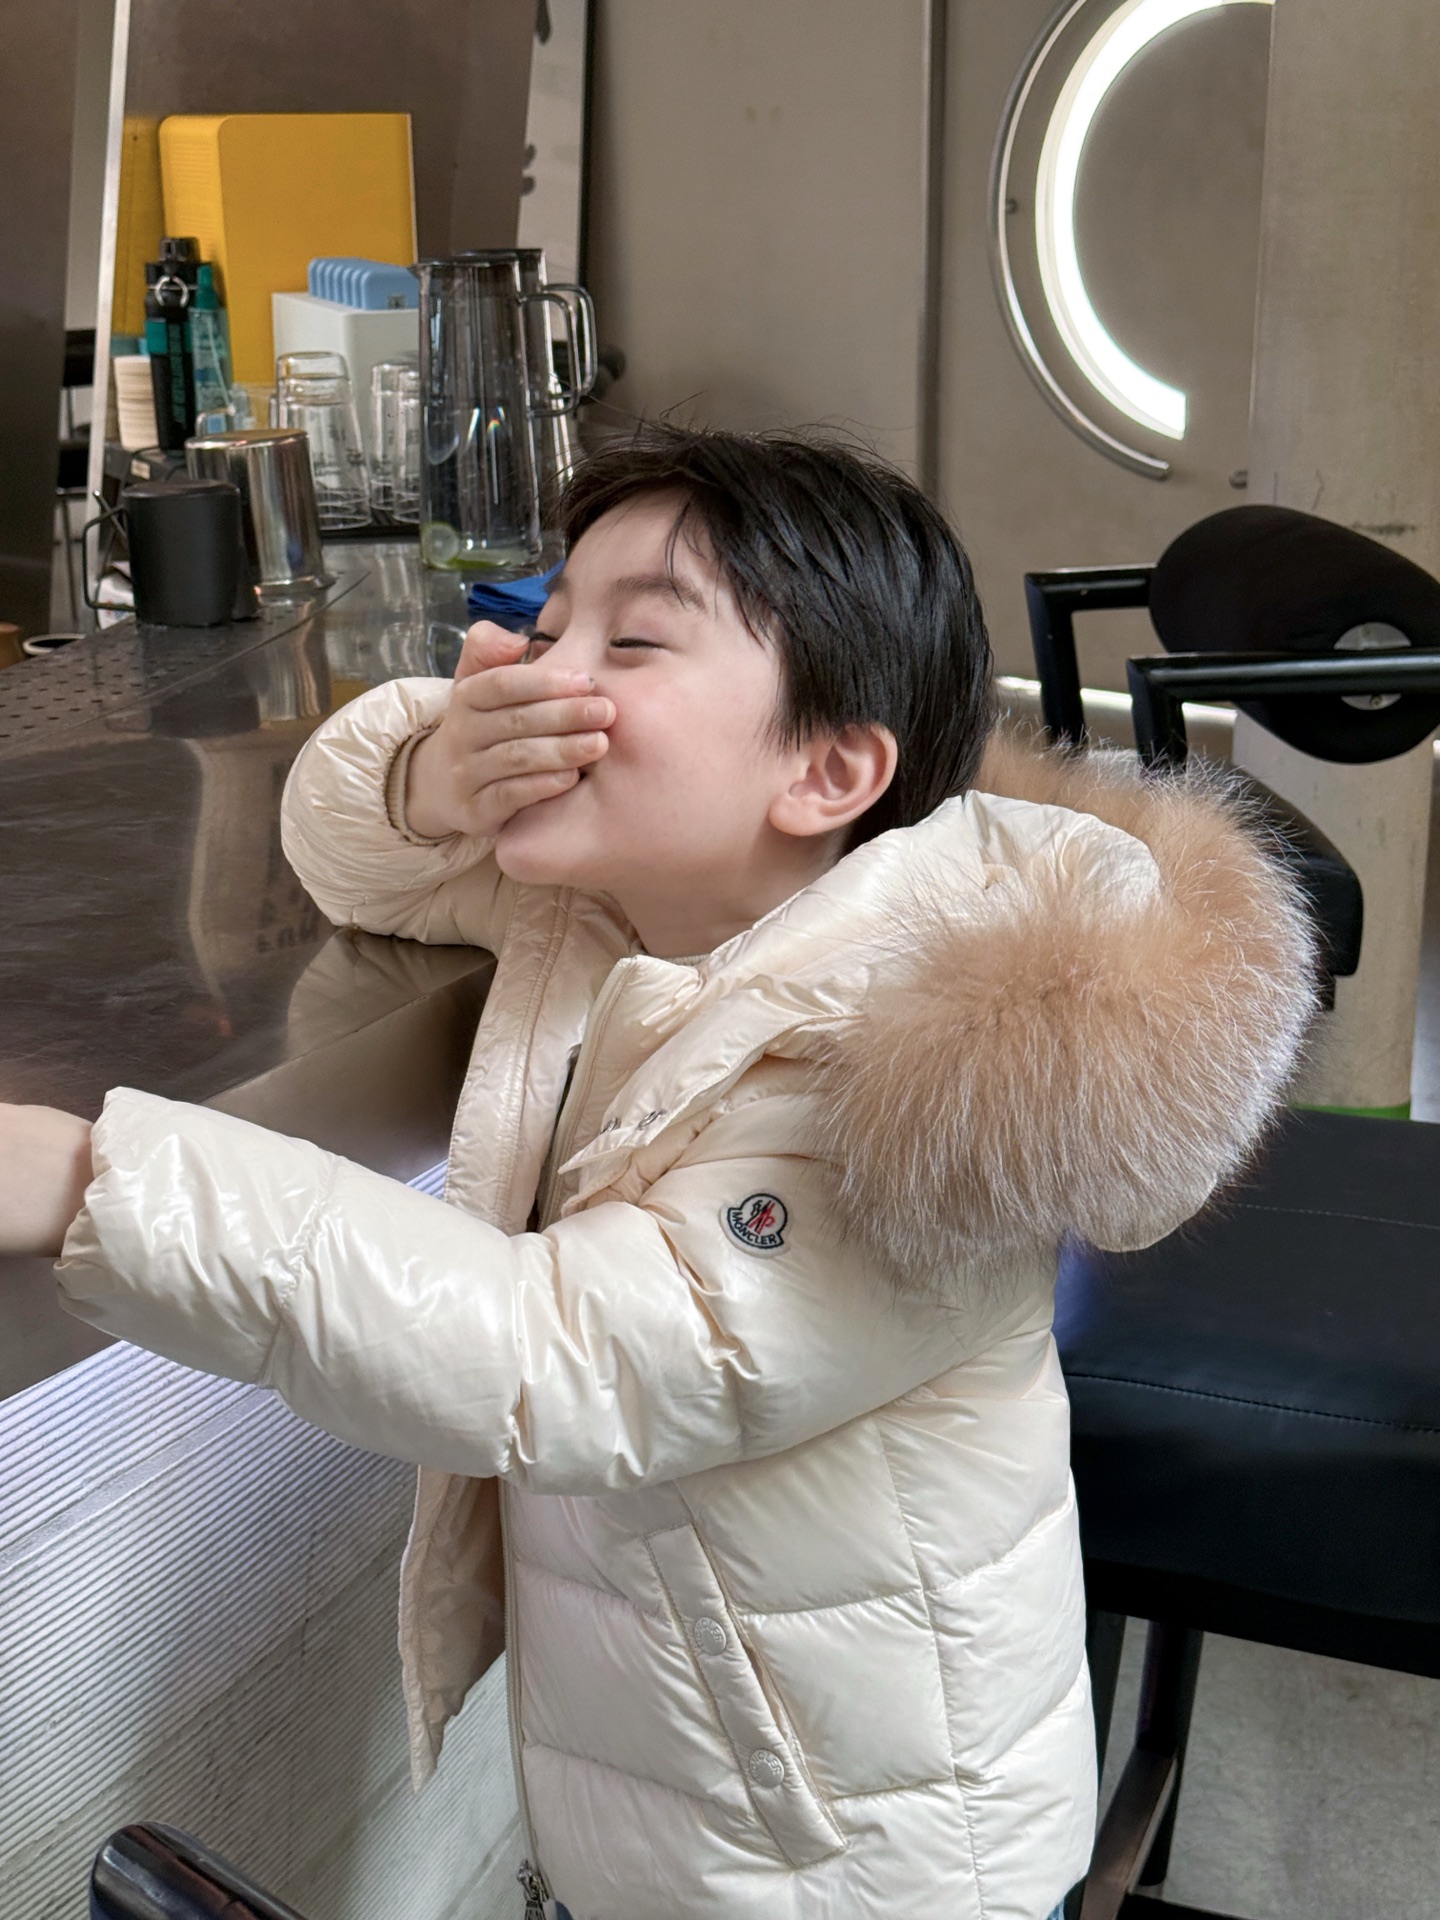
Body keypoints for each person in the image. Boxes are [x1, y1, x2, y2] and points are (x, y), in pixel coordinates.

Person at [0, 427, 1316, 1920]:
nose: (545, 678)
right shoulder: (642, 898)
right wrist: (433, 774)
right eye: (545, 626)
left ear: (828, 770)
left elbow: (562, 1357)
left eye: (632, 643)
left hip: (865, 1876)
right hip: (685, 1820)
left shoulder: (919, 1072)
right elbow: (352, 863)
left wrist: (87, 1180)